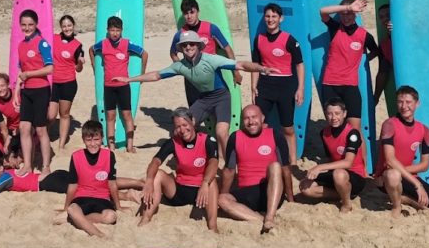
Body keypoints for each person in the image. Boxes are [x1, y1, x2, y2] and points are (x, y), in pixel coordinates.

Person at [117, 30, 267, 160]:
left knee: (221, 132)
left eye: (191, 44)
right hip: (204, 99)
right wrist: (130, 79)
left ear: (198, 45)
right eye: (184, 45)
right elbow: (156, 75)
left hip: (222, 97)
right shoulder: (180, 66)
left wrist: (262, 69)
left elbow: (240, 64)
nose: (188, 47)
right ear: (181, 48)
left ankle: (228, 162)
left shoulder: (211, 59)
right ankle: (189, 155)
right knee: (184, 126)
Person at [375, 86, 429, 217]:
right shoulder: (389, 125)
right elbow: (390, 160)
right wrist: (417, 184)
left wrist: (407, 175)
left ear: (417, 104)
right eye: (400, 102)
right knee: (393, 175)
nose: (404, 106)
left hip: (408, 177)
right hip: (386, 178)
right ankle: (396, 206)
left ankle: (406, 199)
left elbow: (424, 165)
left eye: (408, 102)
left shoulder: (424, 130)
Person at [138, 107, 220, 231]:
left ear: (192, 121)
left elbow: (214, 163)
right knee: (158, 174)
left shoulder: (208, 140)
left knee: (212, 180)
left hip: (201, 192)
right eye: (178, 126)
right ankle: (145, 219)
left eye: (184, 124)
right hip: (179, 191)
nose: (182, 130)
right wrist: (149, 180)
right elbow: (155, 161)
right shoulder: (173, 142)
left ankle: (212, 226)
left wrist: (204, 183)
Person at [249, 2, 305, 170]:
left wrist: (300, 88)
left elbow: (300, 65)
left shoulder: (289, 39)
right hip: (265, 86)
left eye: (274, 16)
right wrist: (253, 87)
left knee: (287, 128)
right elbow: (255, 65)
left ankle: (293, 162)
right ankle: (261, 157)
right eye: (267, 16)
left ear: (281, 18)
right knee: (261, 125)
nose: (270, 19)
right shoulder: (259, 39)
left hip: (286, 86)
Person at [218, 104, 289, 232]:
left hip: (271, 192)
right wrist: (224, 192)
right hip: (247, 193)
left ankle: (270, 216)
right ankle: (261, 220)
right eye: (246, 118)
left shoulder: (275, 135)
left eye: (254, 117)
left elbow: (285, 168)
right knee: (222, 199)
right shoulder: (235, 137)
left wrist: (291, 197)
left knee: (275, 166)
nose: (251, 122)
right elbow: (229, 170)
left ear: (262, 118)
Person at [317, 0, 379, 131]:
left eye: (350, 13)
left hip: (350, 86)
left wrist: (362, 60)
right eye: (343, 14)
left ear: (356, 14)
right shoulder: (335, 28)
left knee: (354, 131)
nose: (346, 17)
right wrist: (348, 7)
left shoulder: (365, 36)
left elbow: (375, 51)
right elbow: (322, 11)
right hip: (330, 85)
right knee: (335, 127)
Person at [90, 15, 148, 153]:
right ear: (107, 30)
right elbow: (91, 50)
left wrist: (142, 74)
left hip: (123, 87)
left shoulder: (127, 44)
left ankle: (129, 145)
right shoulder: (103, 44)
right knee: (110, 117)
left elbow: (144, 54)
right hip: (108, 86)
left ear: (121, 30)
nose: (114, 33)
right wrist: (95, 67)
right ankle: (111, 147)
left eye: (117, 30)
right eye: (112, 30)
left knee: (127, 115)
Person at [299, 98, 368, 212]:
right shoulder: (324, 133)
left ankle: (346, 204)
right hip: (336, 174)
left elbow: (348, 162)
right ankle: (343, 193)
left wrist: (319, 167)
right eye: (329, 114)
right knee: (305, 186)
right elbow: (330, 158)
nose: (334, 117)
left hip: (355, 176)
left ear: (344, 114)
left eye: (337, 113)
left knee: (339, 174)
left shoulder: (352, 133)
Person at [169, 0, 242, 104]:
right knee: (194, 111)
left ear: (197, 11)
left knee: (217, 106)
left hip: (212, 74)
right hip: (192, 78)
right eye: (186, 13)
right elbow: (173, 53)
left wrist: (235, 72)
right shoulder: (181, 34)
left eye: (192, 12)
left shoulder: (211, 28)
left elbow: (228, 50)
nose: (189, 16)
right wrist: (182, 68)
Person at [62, 120, 123, 237]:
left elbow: (112, 183)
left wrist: (118, 205)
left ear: (102, 139)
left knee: (111, 217)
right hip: (82, 197)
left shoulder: (109, 155)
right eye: (88, 140)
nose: (93, 144)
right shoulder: (76, 156)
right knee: (72, 209)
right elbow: (73, 185)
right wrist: (65, 207)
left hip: (102, 198)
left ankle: (79, 220)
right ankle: (98, 234)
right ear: (83, 140)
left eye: (96, 139)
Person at [15, 10, 54, 173]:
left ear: (36, 24)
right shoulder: (21, 45)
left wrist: (29, 74)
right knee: (24, 128)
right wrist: (16, 91)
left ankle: (45, 166)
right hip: (27, 91)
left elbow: (50, 68)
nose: (27, 28)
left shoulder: (42, 43)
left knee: (40, 129)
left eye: (30, 24)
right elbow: (20, 71)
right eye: (24, 24)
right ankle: (28, 166)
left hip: (41, 90)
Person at [49, 14, 84, 150]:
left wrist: (80, 63)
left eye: (69, 25)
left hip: (68, 83)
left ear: (73, 26)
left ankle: (61, 144)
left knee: (64, 114)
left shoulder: (77, 46)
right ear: (61, 27)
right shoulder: (53, 38)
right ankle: (42, 135)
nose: (67, 28)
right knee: (51, 115)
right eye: (64, 26)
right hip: (53, 83)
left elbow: (78, 69)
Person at [0, 156, 71, 196]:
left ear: (1, 168)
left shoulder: (5, 178)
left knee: (79, 188)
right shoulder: (7, 172)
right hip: (54, 175)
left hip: (47, 183)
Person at [372, 3, 395, 107]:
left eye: (388, 15)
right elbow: (382, 72)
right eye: (381, 17)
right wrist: (376, 97)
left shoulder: (411, 34)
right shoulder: (384, 45)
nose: (385, 19)